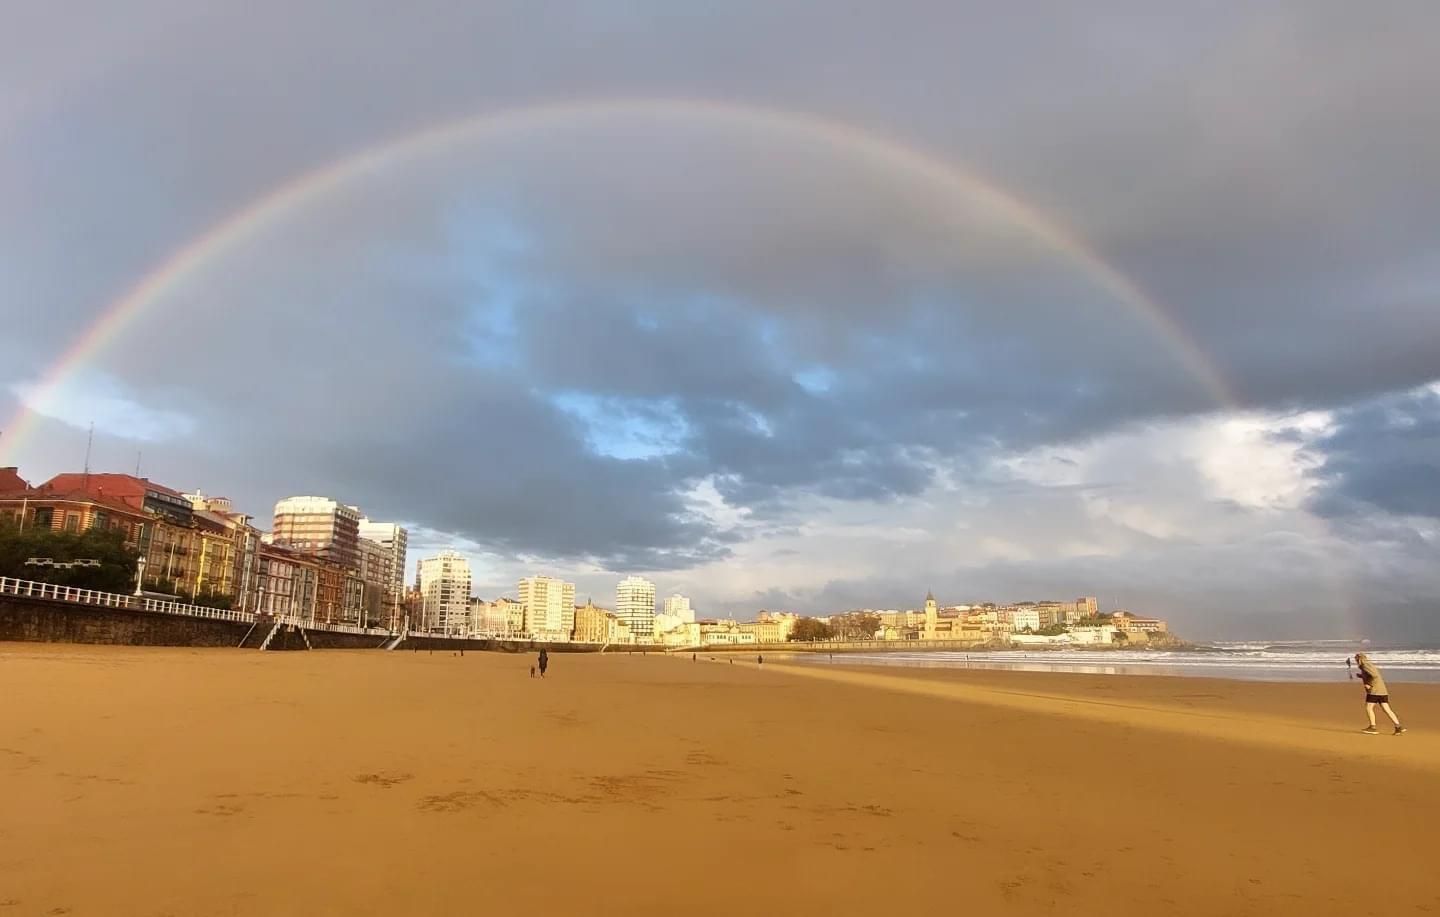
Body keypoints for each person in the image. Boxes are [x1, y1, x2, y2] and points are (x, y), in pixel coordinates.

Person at [1353, 653, 1405, 735]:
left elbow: (1374, 676)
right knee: (1387, 709)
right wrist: (1362, 676)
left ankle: (1372, 727)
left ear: (1359, 659)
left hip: (1375, 691)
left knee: (1369, 707)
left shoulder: (1365, 665)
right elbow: (1372, 675)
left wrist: (1369, 684)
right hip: (1382, 690)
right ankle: (1398, 727)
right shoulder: (1368, 665)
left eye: (1356, 660)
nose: (1355, 662)